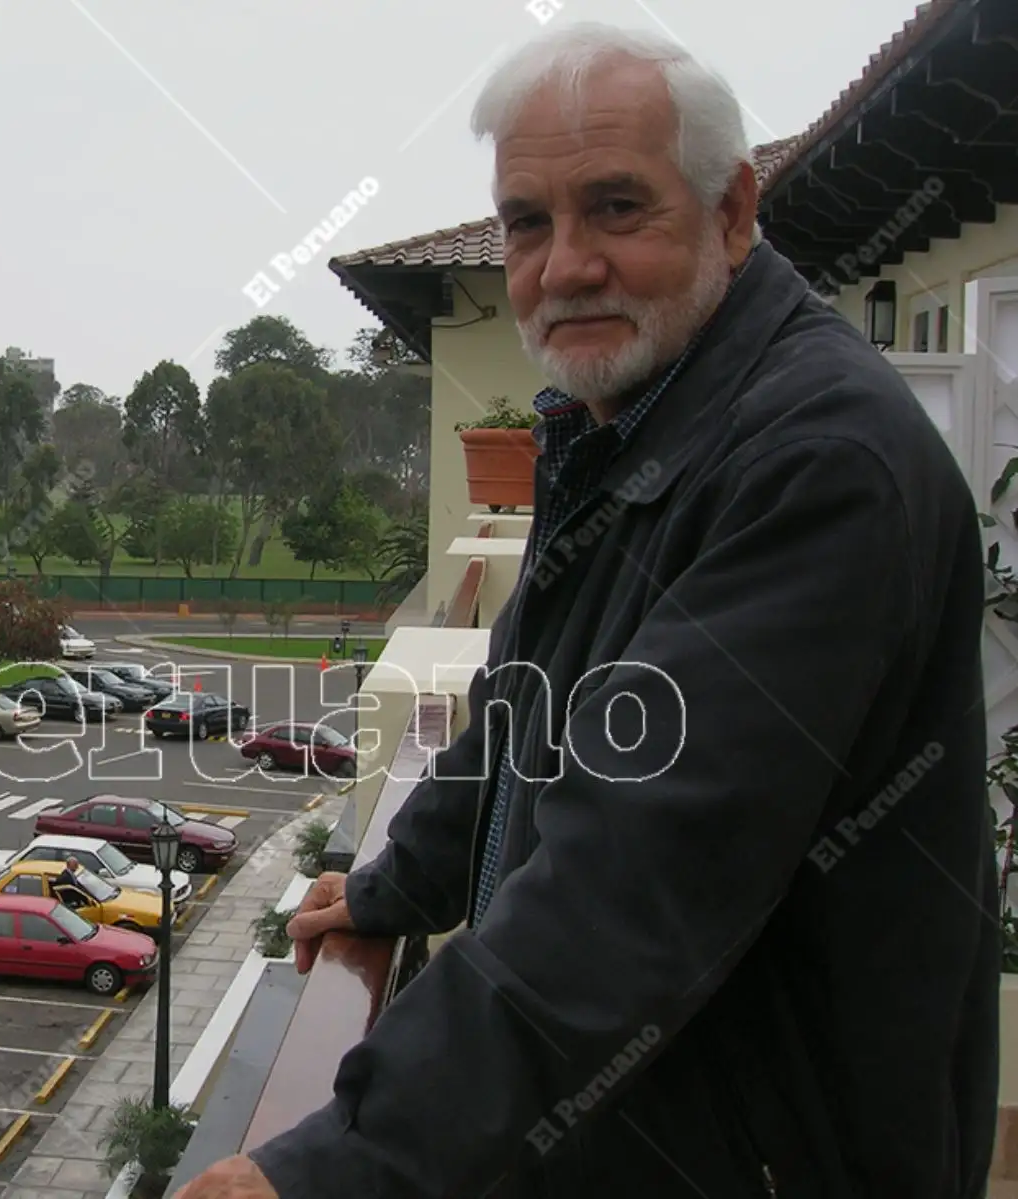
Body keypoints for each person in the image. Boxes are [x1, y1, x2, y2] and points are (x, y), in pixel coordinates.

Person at [175, 21, 995, 1199]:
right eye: (527, 222)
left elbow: (633, 882)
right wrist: (397, 880)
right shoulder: (636, 423)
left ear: (731, 210)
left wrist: (337, 1163)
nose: (564, 266)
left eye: (617, 207)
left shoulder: (818, 466)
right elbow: (523, 711)